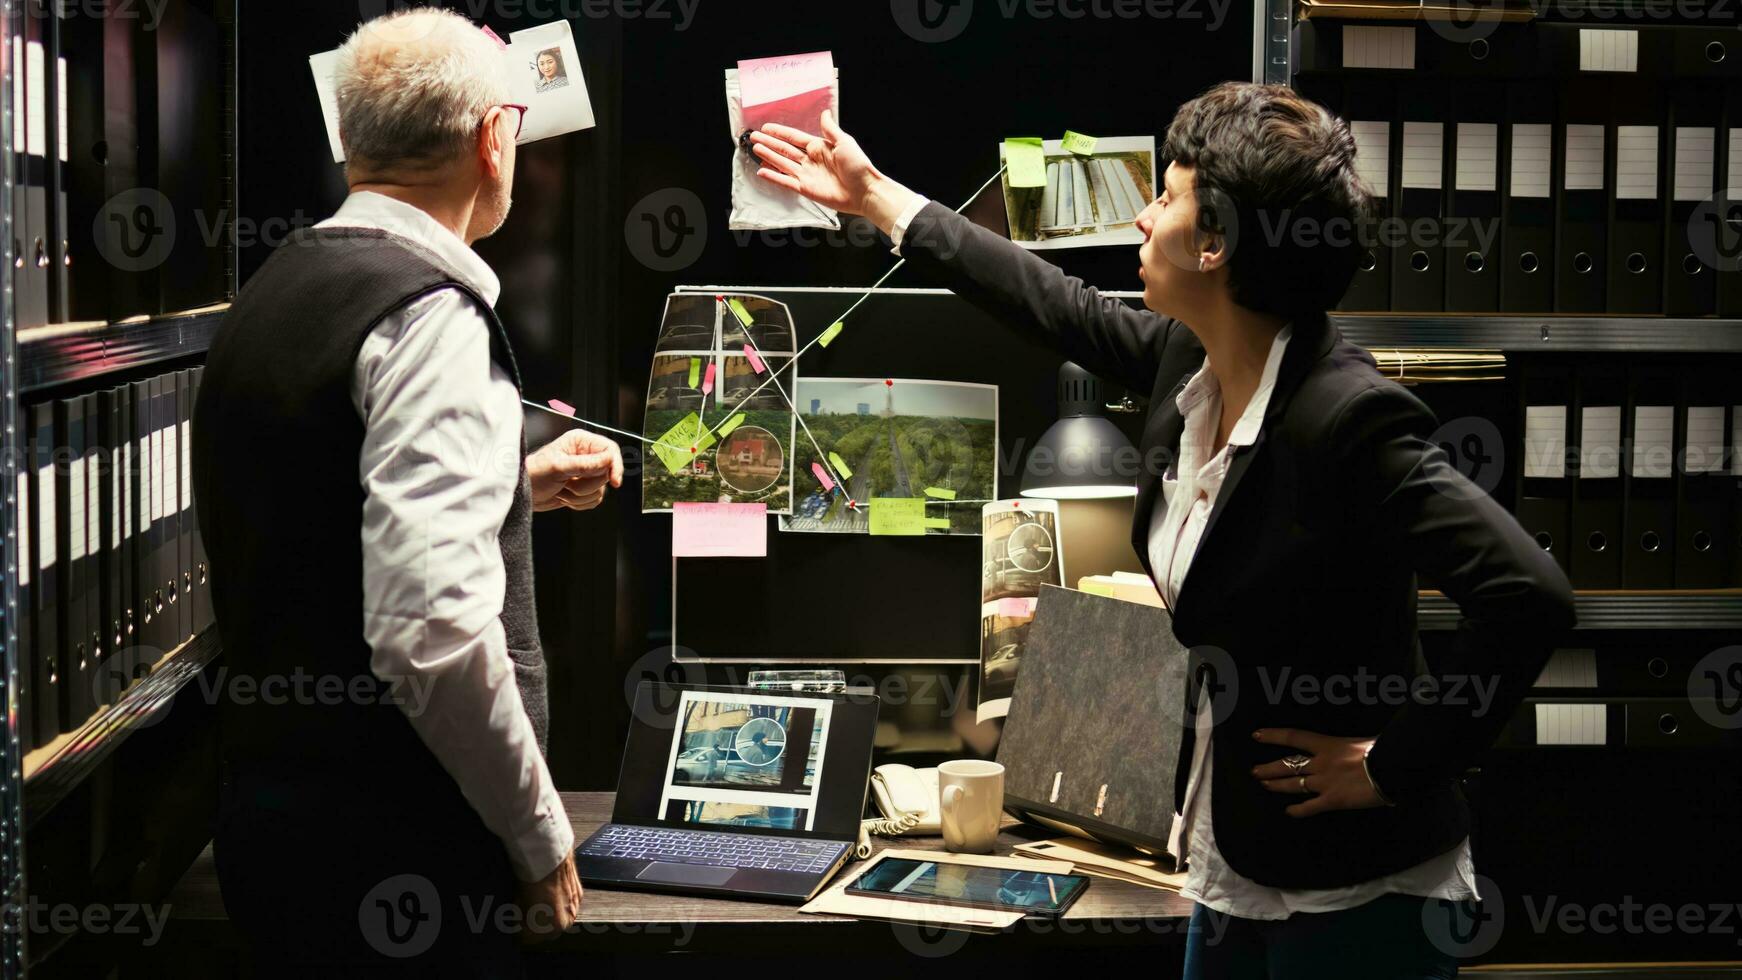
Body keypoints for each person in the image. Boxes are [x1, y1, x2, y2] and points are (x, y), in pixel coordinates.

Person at [751, 84, 1575, 978]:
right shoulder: (1193, 361)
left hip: (1359, 887)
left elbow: (1529, 596)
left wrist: (1392, 765)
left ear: (1216, 243)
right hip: (1233, 854)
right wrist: (876, 197)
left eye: (1169, 196)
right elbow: (1048, 300)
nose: (1143, 219)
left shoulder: (1347, 420)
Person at [191, 9, 618, 975]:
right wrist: (539, 833)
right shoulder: (430, 317)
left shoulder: (281, 283)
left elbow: (311, 502)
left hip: (275, 842)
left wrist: (514, 487)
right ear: (493, 138)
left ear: (352, 140)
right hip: (404, 869)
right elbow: (430, 636)